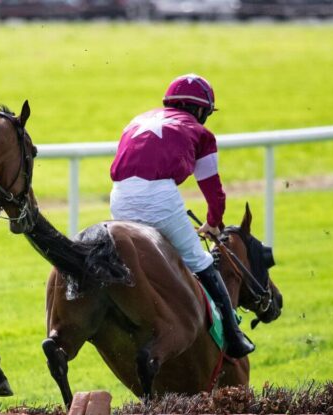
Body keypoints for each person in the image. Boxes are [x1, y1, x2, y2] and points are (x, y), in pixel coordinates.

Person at [109, 73, 254, 358]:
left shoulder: (139, 119)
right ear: (200, 110)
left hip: (118, 196)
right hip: (159, 196)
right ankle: (234, 337)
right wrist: (213, 223)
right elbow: (213, 189)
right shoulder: (200, 133)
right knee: (200, 262)